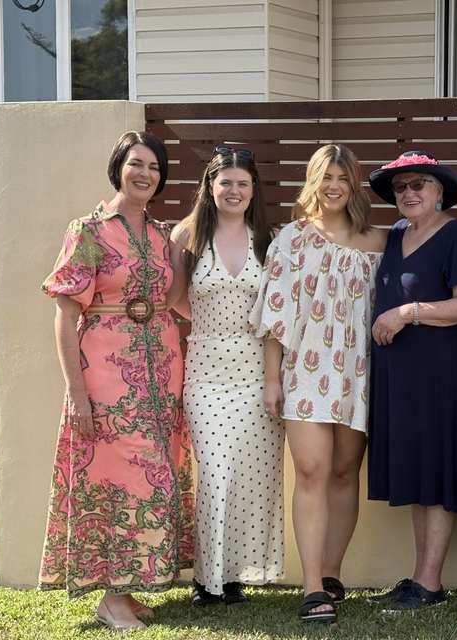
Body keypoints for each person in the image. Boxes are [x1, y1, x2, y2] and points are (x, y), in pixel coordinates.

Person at [39, 131, 195, 631]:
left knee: (150, 475)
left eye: (153, 166)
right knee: (111, 477)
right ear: (118, 168)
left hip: (162, 370)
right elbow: (65, 314)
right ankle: (110, 595)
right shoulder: (87, 230)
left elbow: (176, 299)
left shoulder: (160, 234)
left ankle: (128, 588)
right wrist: (76, 390)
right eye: (135, 164)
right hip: (105, 371)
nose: (144, 173)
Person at [249, 143, 386, 623]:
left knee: (346, 473)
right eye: (325, 176)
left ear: (354, 185)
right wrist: (272, 379)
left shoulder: (378, 242)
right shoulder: (292, 238)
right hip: (305, 372)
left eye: (343, 178)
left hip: (358, 374)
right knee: (311, 471)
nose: (333, 186)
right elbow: (274, 316)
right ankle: (311, 589)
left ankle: (332, 574)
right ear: (313, 181)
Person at [366, 151, 457, 612]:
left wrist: (406, 313)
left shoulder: (454, 234)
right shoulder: (397, 235)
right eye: (400, 188)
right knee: (418, 474)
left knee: (437, 472)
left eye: (419, 184)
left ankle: (431, 583)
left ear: (440, 192)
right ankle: (419, 576)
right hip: (400, 376)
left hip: (441, 374)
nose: (409, 193)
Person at [169, 146, 282, 606]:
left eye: (243, 183)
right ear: (210, 186)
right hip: (206, 373)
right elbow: (176, 298)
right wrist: (207, 322)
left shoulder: (269, 238)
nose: (234, 191)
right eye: (225, 182)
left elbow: (277, 309)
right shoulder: (187, 235)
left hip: (258, 372)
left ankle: (233, 575)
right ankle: (206, 579)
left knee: (251, 476)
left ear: (253, 189)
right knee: (214, 474)